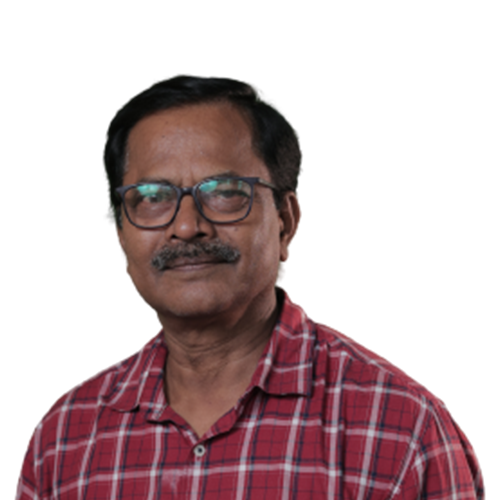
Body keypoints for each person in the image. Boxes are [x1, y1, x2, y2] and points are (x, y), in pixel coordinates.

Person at [15, 74, 485, 499]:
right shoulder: (64, 439)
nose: (186, 227)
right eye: (152, 197)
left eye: (224, 192)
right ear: (121, 234)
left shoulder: (402, 430)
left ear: (285, 221)